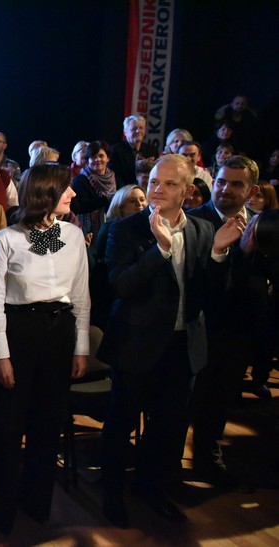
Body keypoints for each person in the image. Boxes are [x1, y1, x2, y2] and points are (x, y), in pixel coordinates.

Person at [98, 154, 243, 528]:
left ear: (188, 191)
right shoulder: (125, 229)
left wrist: (219, 253)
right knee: (120, 425)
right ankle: (111, 495)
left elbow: (213, 296)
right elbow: (122, 286)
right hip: (136, 346)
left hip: (182, 348)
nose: (157, 189)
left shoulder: (203, 230)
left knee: (167, 428)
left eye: (169, 184)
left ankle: (151, 489)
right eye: (153, 182)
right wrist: (160, 250)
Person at [0, 163, 89, 534]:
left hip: (59, 332)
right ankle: (1, 508)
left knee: (48, 424)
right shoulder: (7, 240)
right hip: (19, 333)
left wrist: (81, 346)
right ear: (46, 193)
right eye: (66, 188)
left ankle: (37, 504)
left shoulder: (71, 235)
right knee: (8, 426)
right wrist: (1, 355)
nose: (73, 194)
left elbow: (81, 295)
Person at [186, 155, 269, 483]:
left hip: (240, 331)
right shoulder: (193, 221)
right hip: (199, 327)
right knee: (187, 403)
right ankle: (166, 469)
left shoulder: (262, 225)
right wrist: (232, 256)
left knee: (220, 401)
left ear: (252, 190)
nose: (225, 189)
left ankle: (209, 459)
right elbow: (195, 280)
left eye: (236, 184)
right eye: (221, 181)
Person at [90, 185, 147, 329]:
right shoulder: (111, 228)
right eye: (132, 201)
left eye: (142, 199)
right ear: (120, 207)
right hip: (110, 293)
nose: (139, 204)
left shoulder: (149, 227)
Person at [71, 140, 117, 239]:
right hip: (88, 232)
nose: (97, 159)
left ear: (108, 158)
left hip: (112, 228)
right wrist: (106, 199)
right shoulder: (80, 180)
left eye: (101, 156)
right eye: (93, 157)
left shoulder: (115, 178)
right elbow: (81, 207)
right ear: (88, 160)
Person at [108, 114, 158, 187]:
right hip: (124, 190)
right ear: (125, 132)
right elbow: (114, 176)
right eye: (134, 128)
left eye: (141, 128)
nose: (138, 131)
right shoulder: (115, 151)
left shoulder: (152, 150)